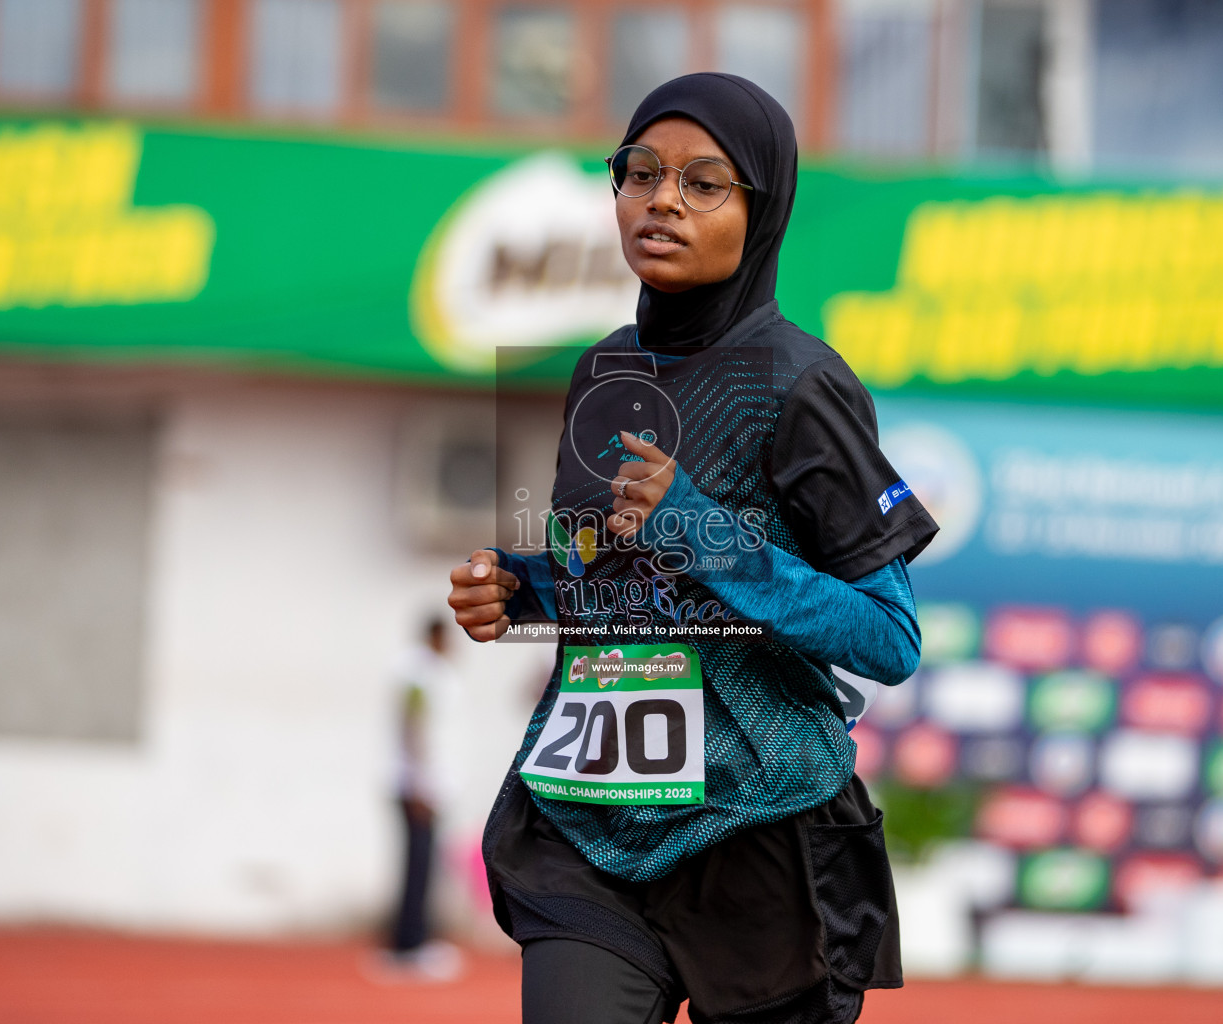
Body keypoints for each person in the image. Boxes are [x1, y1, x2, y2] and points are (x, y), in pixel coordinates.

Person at [447, 73, 938, 1024]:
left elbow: (890, 638)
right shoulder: (602, 368)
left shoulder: (801, 385)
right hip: (589, 826)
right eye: (642, 172)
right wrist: (522, 589)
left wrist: (702, 528)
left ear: (763, 209)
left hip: (760, 840)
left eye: (704, 182)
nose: (663, 198)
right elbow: (620, 587)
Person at [381, 616, 463, 981]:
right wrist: (418, 782)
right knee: (418, 865)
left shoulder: (428, 671)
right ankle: (409, 946)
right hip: (418, 787)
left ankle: (409, 941)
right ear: (436, 636)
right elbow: (412, 723)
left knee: (421, 864)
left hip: (426, 785)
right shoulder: (419, 670)